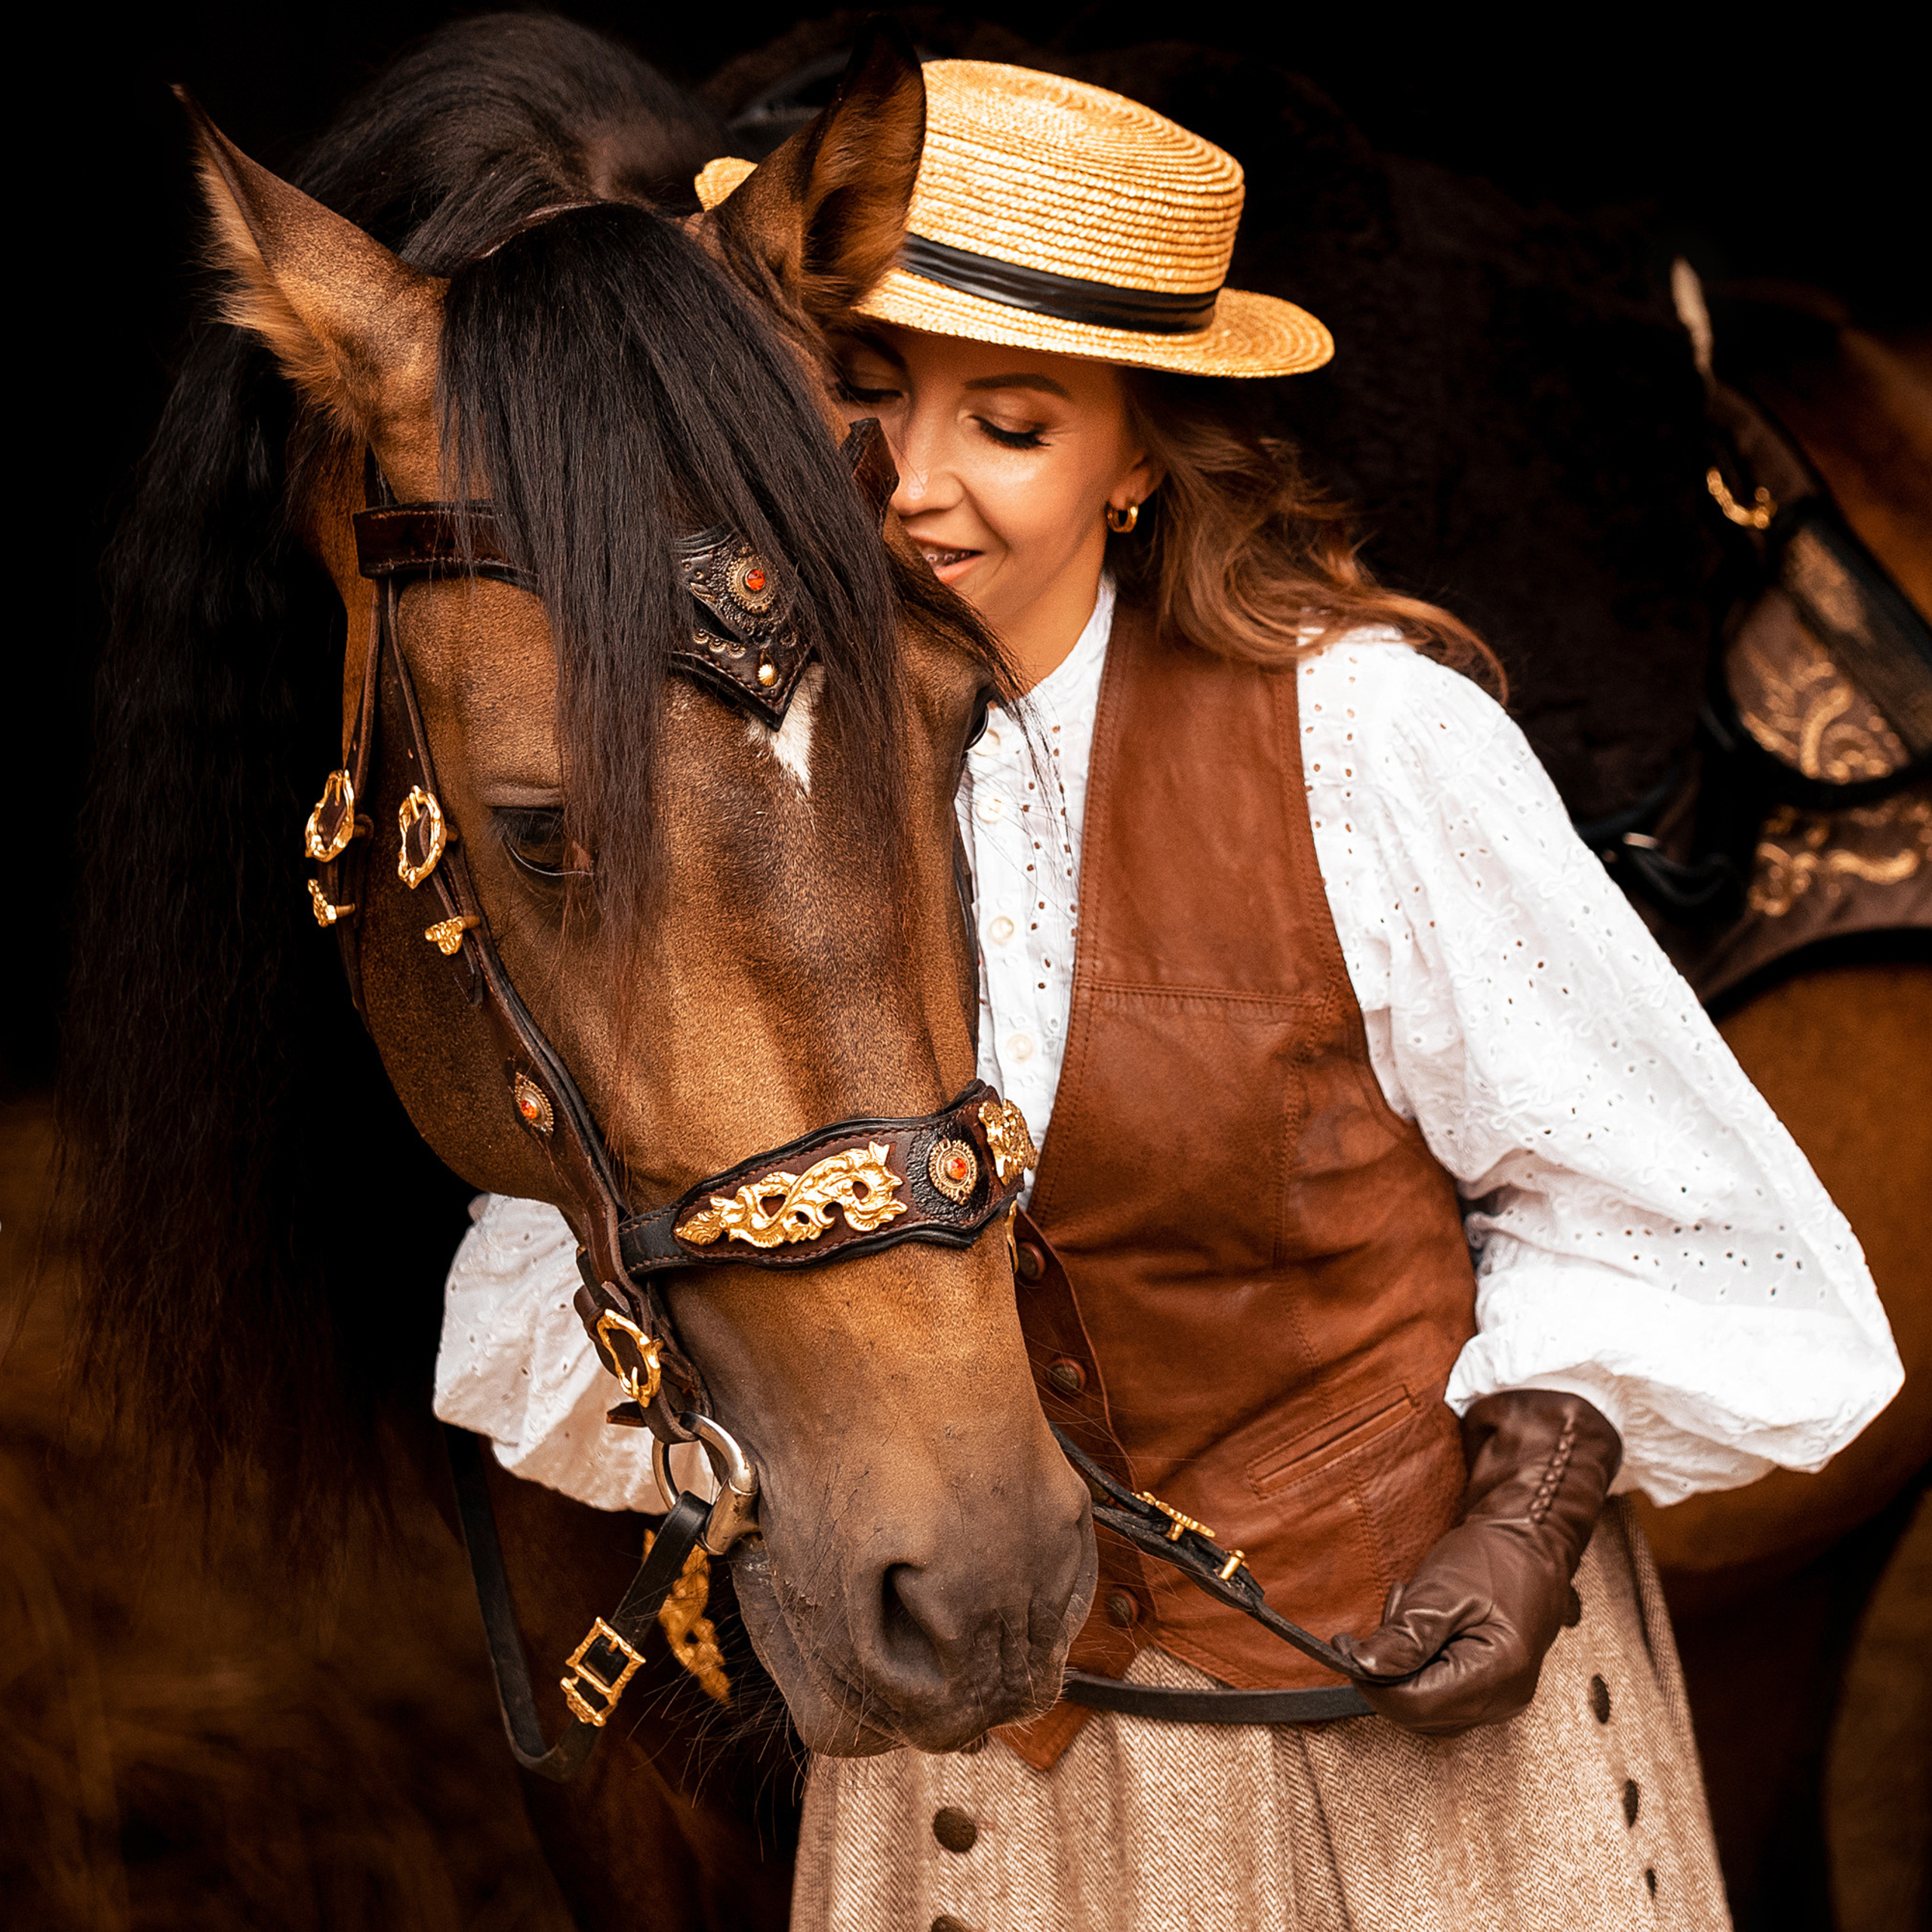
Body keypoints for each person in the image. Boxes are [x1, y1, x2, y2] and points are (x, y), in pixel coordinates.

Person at [435, 60, 1902, 1931]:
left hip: (1383, 1719)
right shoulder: (740, 779)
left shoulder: (1363, 741)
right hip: (986, 1775)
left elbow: (1667, 1208)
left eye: (1020, 423)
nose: (924, 482)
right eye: (870, 394)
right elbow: (604, 1226)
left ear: (1136, 458)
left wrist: (1523, 1512)